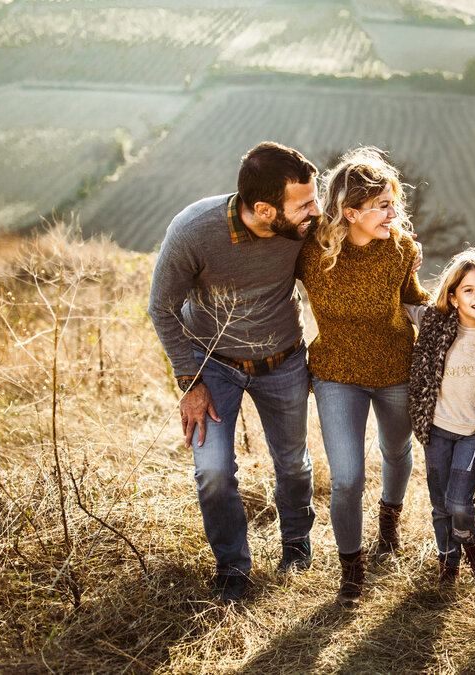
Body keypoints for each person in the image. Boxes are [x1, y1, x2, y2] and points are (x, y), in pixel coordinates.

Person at [148, 141, 321, 604]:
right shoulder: (194, 231)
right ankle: (232, 566)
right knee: (214, 472)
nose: (316, 211)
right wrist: (191, 381)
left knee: (292, 462)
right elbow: (162, 309)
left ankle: (295, 541)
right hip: (213, 367)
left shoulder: (304, 228)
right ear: (265, 210)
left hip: (284, 361)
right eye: (304, 203)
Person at [295, 147, 430, 609]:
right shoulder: (311, 252)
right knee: (348, 476)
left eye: (394, 204)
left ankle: (389, 520)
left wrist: (454, 313)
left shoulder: (401, 248)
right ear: (349, 212)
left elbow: (413, 298)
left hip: (396, 368)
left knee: (397, 450)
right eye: (382, 206)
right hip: (335, 372)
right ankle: (351, 568)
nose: (394, 214)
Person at [408, 249, 475, 587]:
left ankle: (471, 539)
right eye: (468, 290)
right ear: (453, 298)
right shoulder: (435, 324)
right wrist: (405, 267)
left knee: (458, 502)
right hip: (437, 428)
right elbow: (402, 303)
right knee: (440, 506)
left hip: (474, 432)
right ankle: (448, 563)